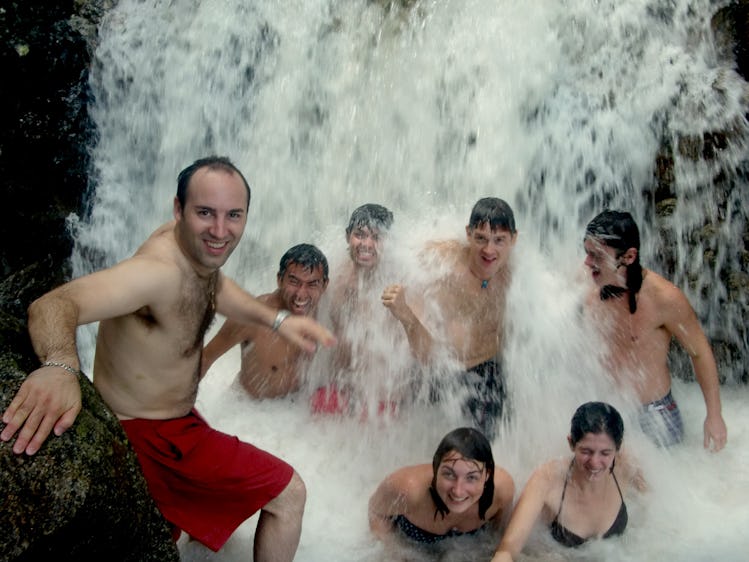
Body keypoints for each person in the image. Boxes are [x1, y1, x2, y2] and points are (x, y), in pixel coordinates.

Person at [0, 156, 336, 561]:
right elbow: (54, 305)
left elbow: (217, 287)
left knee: (178, 535)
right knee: (289, 494)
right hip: (152, 434)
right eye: (205, 213)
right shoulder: (156, 272)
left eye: (233, 216)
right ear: (179, 209)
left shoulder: (198, 251)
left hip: (172, 421)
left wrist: (277, 319)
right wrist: (59, 367)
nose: (220, 230)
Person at [582, 210, 727, 451]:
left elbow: (700, 352)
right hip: (602, 409)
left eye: (596, 255)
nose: (587, 262)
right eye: (586, 252)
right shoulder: (588, 280)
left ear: (629, 256)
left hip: (652, 415)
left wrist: (714, 416)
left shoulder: (664, 299)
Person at [381, 197, 517, 436]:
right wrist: (404, 312)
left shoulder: (518, 273)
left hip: (487, 372)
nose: (489, 250)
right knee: (414, 435)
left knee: (490, 446)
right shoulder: (442, 263)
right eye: (481, 239)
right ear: (468, 233)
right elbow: (426, 355)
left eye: (499, 241)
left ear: (513, 239)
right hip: (438, 368)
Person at [491, 402, 645, 561]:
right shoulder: (548, 478)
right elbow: (509, 547)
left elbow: (653, 506)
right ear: (571, 443)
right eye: (586, 451)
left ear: (618, 449)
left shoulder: (626, 465)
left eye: (605, 453)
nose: (595, 462)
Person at [311, 203, 407, 416]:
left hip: (383, 397)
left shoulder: (402, 280)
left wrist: (406, 313)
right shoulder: (332, 276)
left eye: (376, 237)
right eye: (360, 235)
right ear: (348, 236)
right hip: (339, 390)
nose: (367, 244)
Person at [201, 243, 329, 398]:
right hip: (250, 412)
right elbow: (205, 359)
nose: (301, 294)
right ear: (279, 280)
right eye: (294, 282)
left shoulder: (328, 313)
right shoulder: (252, 317)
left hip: (297, 411)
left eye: (312, 284)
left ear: (324, 285)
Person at [369, 427, 515, 548]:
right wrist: (393, 552)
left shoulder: (501, 492)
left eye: (471, 478)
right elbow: (376, 512)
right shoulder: (405, 489)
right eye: (449, 475)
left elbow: (496, 535)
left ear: (487, 475)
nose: (458, 491)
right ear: (436, 469)